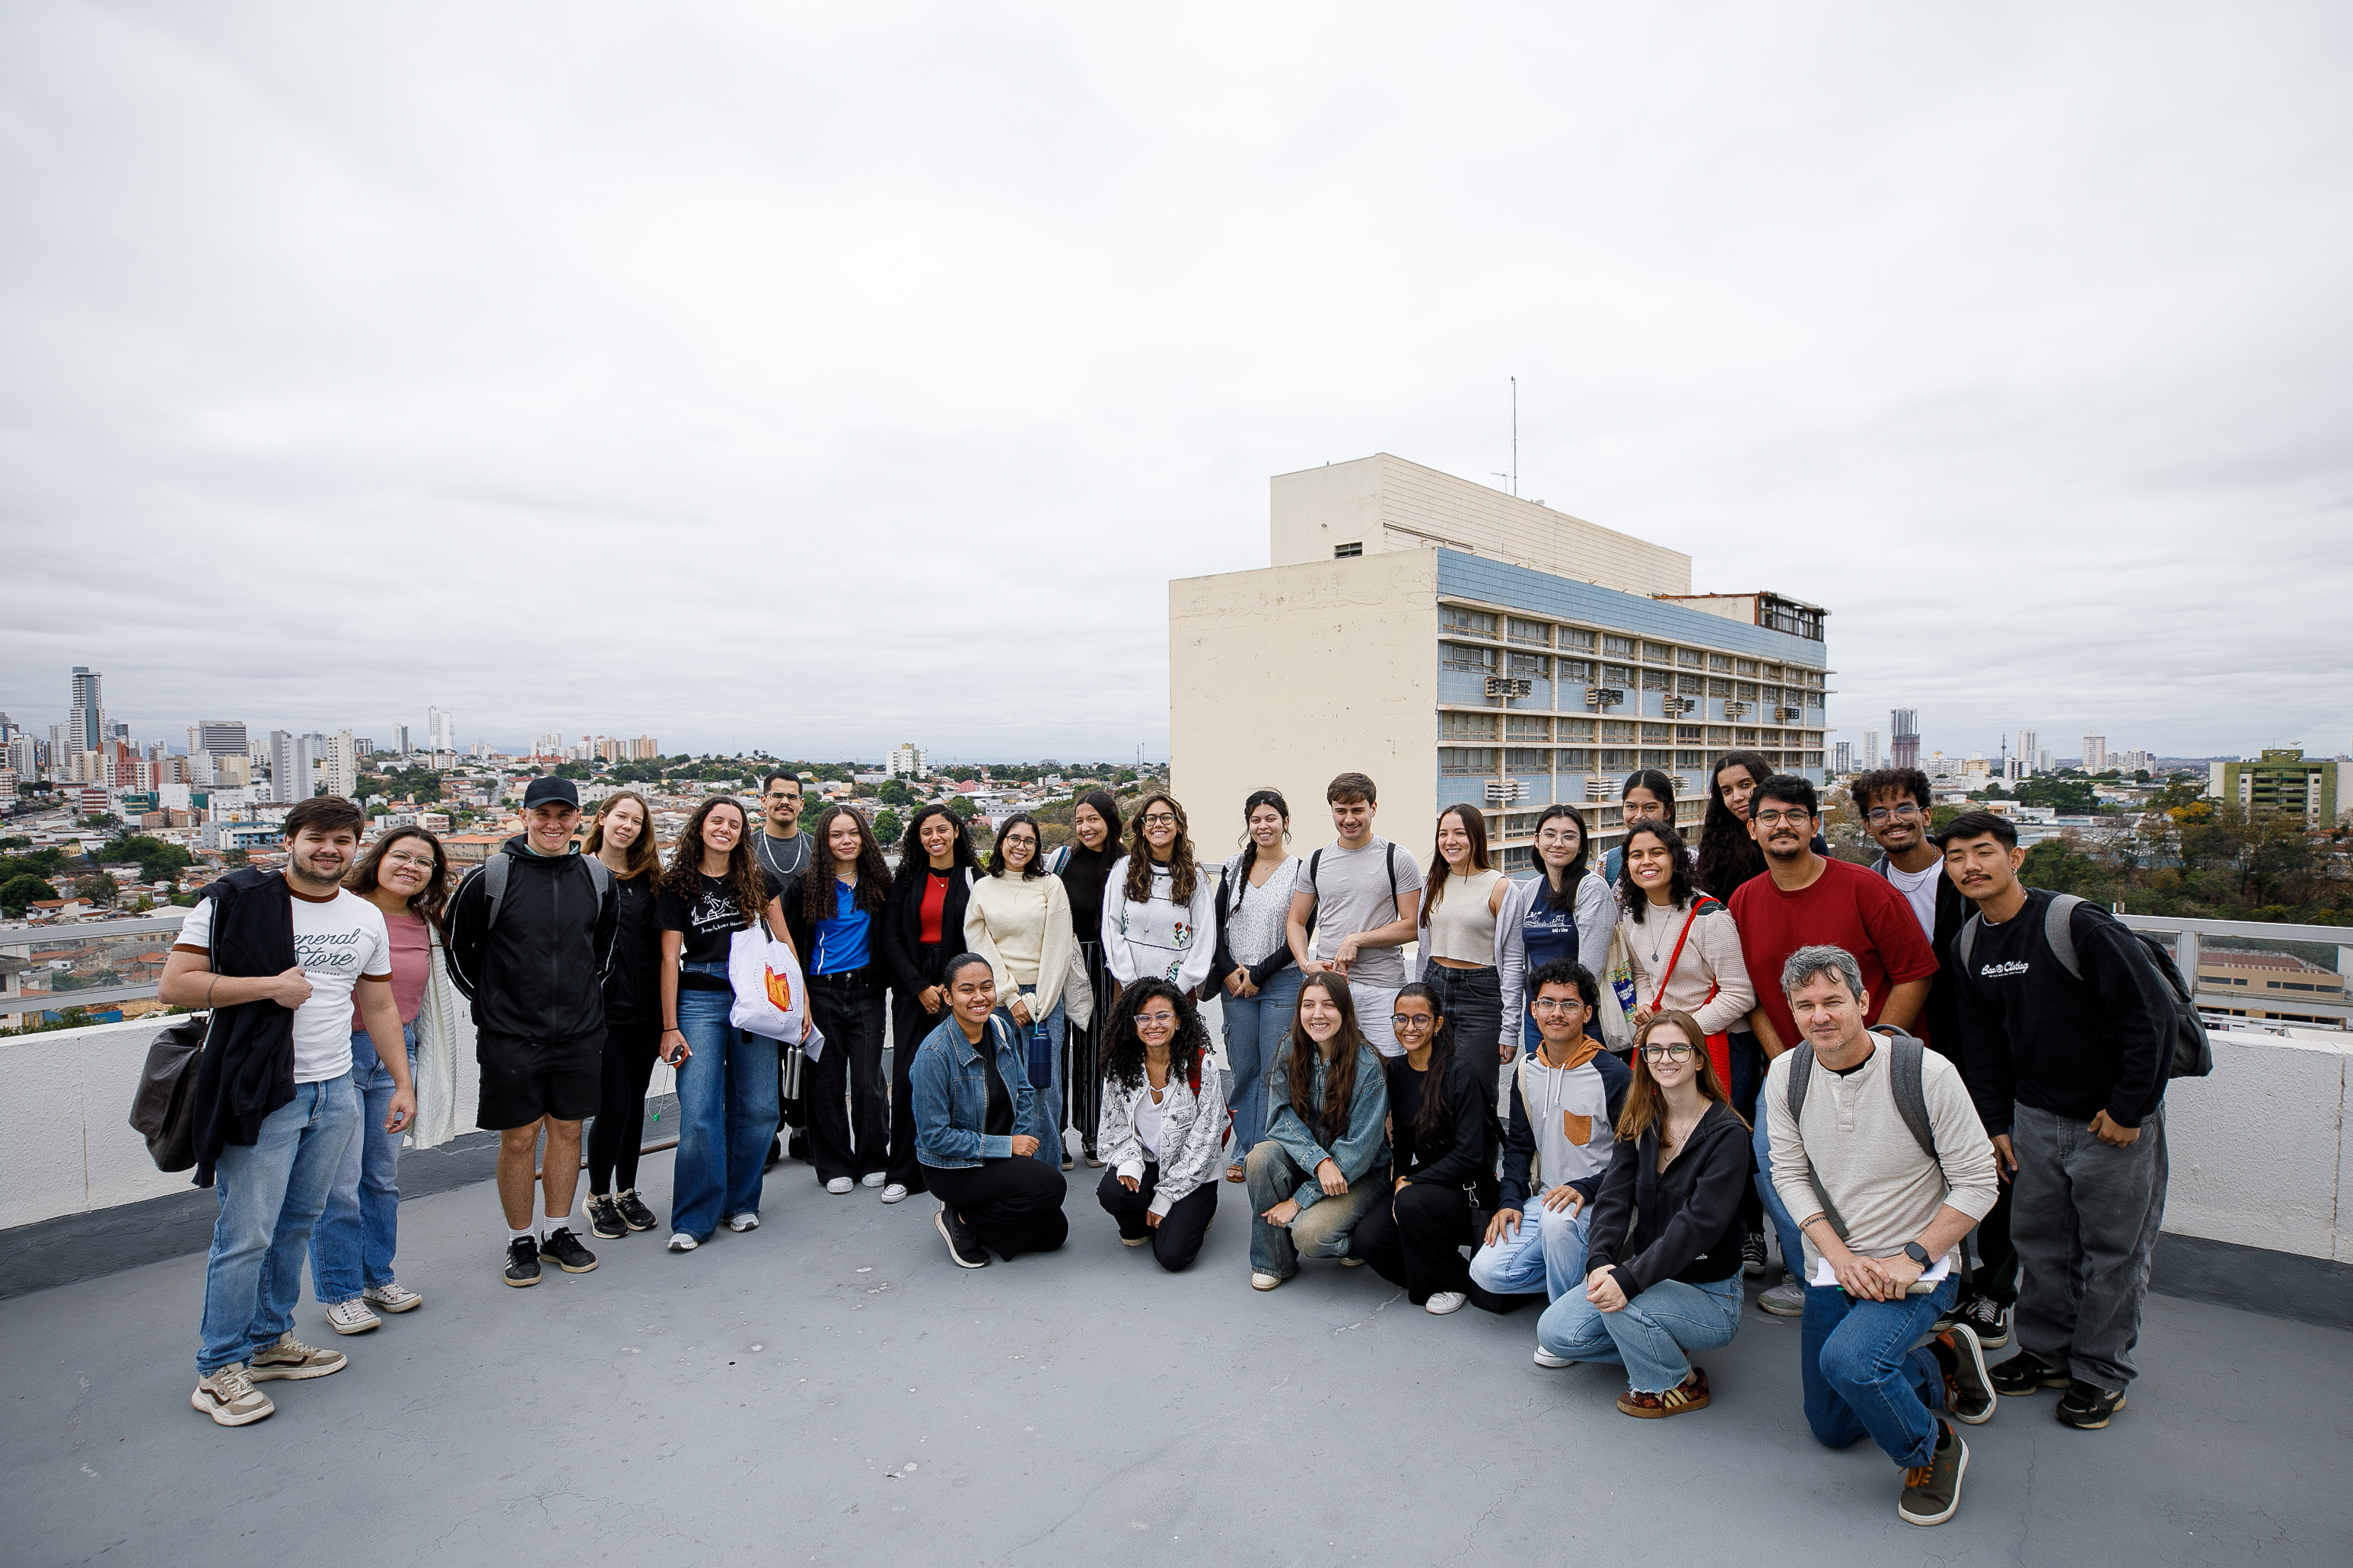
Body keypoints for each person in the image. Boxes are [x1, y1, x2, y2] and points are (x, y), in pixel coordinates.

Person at [161, 795, 412, 1426]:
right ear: (290, 840)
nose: (329, 849)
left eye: (342, 840)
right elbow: (175, 983)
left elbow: (378, 1005)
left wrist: (402, 1082)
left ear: (356, 847)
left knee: (297, 1222)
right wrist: (270, 987)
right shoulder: (233, 901)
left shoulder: (364, 916)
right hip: (263, 1090)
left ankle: (269, 1341)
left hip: (335, 1089)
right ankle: (218, 1367)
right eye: (317, 837)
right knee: (246, 1233)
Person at [1942, 811, 2173, 1430]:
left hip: (2111, 1122)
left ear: (2015, 858)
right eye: (1957, 856)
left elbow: (2150, 1018)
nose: (1970, 866)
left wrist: (2128, 1108)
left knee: (2114, 1252)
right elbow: (1983, 1045)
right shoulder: (1970, 945)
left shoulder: (2075, 923)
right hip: (2035, 1119)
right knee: (2041, 1244)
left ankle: (2100, 1371)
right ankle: (2046, 1353)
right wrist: (1996, 1122)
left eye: (1983, 851)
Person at [1765, 946, 2000, 1528]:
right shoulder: (1786, 1073)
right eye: (1805, 1005)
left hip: (1915, 1268)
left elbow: (1979, 1181)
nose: (1820, 1015)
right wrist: (1839, 1257)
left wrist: (1913, 1257)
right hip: (1835, 1263)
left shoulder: (1925, 1073)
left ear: (1865, 1001)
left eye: (1833, 1000)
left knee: (1851, 1363)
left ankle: (1933, 1449)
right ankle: (1942, 1358)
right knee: (1832, 1426)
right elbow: (1788, 1173)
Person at [1729, 774, 1938, 1317]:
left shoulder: (1864, 887)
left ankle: (1895, 1280)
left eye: (1795, 815)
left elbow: (1915, 973)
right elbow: (1748, 993)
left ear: (1814, 825)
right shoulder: (1745, 900)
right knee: (1774, 1166)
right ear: (1752, 829)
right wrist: (1783, 1060)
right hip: (1796, 1069)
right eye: (1770, 816)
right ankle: (1814, 1276)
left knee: (1871, 1176)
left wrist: (1878, 1049)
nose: (1782, 825)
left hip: (1876, 1066)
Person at [446, 775, 618, 1287]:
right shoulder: (490, 878)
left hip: (579, 1033)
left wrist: (581, 1004)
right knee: (519, 1137)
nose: (553, 824)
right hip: (511, 1036)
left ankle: (557, 1230)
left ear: (578, 818)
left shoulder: (597, 878)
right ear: (524, 816)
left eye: (564, 815)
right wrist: (496, 1006)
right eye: (543, 814)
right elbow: (459, 952)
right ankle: (520, 1237)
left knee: (568, 1131)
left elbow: (603, 952)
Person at [1537, 1011, 1751, 1417]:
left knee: (1622, 1302)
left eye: (1678, 1049)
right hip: (1650, 1272)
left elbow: (1699, 1225)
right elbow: (1614, 1197)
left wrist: (1628, 1280)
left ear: (1699, 1059)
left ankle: (1676, 1382)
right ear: (1645, 1059)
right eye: (1655, 1050)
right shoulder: (1641, 1119)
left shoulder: (1728, 1134)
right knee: (1556, 1332)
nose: (1665, 1059)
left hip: (1709, 1292)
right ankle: (1658, 1339)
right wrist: (1600, 1262)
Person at [1855, 766, 2005, 1342]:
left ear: (1926, 813)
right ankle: (1935, 1273)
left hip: (1974, 1039)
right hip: (1905, 1043)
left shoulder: (1961, 874)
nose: (1893, 820)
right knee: (1920, 1165)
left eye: (1904, 808)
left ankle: (1993, 1291)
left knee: (1988, 1160)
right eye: (1879, 812)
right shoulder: (1871, 880)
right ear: (1866, 823)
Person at [307, 825, 448, 1333]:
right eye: (402, 855)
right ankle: (340, 1291)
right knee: (339, 1182)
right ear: (379, 858)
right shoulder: (343, 910)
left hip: (396, 1053)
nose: (412, 867)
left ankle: (377, 1277)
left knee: (381, 1179)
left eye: (424, 862)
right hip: (338, 1053)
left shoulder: (427, 923)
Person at [654, 794, 788, 1251]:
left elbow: (782, 943)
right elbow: (669, 960)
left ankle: (741, 1202)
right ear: (700, 827)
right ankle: (694, 1218)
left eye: (734, 824)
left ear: (741, 834)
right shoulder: (677, 884)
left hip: (754, 997)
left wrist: (801, 1003)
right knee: (699, 1113)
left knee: (760, 1108)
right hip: (698, 999)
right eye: (717, 821)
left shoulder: (757, 879)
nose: (725, 830)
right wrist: (669, 1025)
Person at [1470, 960, 1629, 1323]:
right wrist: (1510, 1201)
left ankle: (1564, 1324)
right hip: (1545, 1200)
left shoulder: (1614, 1075)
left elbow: (1633, 1157)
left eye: (1569, 1004)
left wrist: (1585, 1187)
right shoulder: (1528, 1070)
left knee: (1558, 1224)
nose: (1557, 1013)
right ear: (1534, 1010)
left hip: (1599, 1203)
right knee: (1486, 1272)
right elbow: (1518, 1147)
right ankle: (1581, 1281)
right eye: (1547, 1003)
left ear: (1587, 1013)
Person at [913, 953, 1069, 1268]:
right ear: (948, 996)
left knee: (1054, 1233)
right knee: (1052, 1185)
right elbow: (934, 1138)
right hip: (953, 1168)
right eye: (967, 990)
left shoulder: (998, 1028)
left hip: (995, 1157)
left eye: (986, 987)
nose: (979, 997)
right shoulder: (933, 1055)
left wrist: (1018, 1148)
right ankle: (960, 1218)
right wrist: (1007, 1146)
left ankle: (968, 1218)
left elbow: (1023, 1092)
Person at [1346, 984, 1494, 1314]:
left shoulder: (1461, 1074)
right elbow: (1401, 1139)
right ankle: (1449, 1274)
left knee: (1410, 1202)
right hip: (1422, 1184)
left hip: (1467, 1188)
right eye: (1401, 1018)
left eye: (1420, 1019)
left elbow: (1470, 1155)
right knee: (1369, 1239)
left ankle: (1448, 1284)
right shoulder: (1396, 1071)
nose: (1409, 1028)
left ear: (1437, 1023)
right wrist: (1400, 1177)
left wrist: (1411, 1183)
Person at [1690, 748, 1781, 1281]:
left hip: (1776, 996)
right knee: (1735, 1124)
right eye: (1727, 790)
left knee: (1772, 1130)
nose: (1738, 796)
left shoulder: (1788, 842)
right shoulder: (1714, 852)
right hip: (1734, 1011)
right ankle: (1748, 1231)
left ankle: (1796, 1242)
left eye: (1745, 784)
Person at [1244, 972, 1391, 1290]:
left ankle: (1356, 1239)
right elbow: (1280, 1117)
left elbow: (1359, 1151)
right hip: (1315, 1164)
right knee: (1260, 1158)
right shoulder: (1290, 1048)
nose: (1318, 1014)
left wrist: (1298, 1202)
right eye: (1308, 1005)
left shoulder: (1367, 1065)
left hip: (1360, 1175)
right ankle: (1273, 1261)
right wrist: (1319, 1162)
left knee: (1310, 1236)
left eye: (1328, 1005)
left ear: (1344, 1011)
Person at [782, 804, 893, 1196]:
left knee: (867, 1080)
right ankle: (834, 1163)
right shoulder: (806, 886)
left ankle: (874, 1157)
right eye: (836, 835)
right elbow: (788, 945)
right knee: (825, 1081)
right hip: (821, 991)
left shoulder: (879, 882)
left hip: (867, 991)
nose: (846, 841)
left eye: (853, 833)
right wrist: (799, 1000)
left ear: (864, 837)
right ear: (824, 841)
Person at [1616, 820, 1754, 1110]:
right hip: (1669, 1044)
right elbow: (1642, 973)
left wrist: (1682, 1031)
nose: (1646, 862)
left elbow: (1740, 993)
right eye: (1637, 855)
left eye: (1657, 853)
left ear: (1676, 859)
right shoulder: (1632, 915)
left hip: (1720, 1042)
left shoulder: (1710, 917)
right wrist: (1647, 1006)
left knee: (1716, 1129)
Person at [879, 804, 980, 1201]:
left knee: (961, 1079)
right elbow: (890, 937)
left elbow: (979, 936)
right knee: (910, 1075)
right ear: (917, 838)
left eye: (941, 829)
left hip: (960, 987)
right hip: (912, 989)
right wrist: (921, 986)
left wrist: (950, 987)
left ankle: (959, 1163)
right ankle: (904, 1170)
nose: (934, 838)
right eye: (926, 832)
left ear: (956, 831)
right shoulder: (906, 879)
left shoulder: (974, 878)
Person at [1286, 772, 1425, 1058]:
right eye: (1341, 811)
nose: (1349, 819)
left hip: (1383, 988)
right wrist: (1305, 963)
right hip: (1330, 987)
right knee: (1331, 1070)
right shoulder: (1315, 861)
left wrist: (1357, 939)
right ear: (1332, 811)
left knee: (1387, 1069)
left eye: (1357, 810)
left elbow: (1413, 926)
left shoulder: (1397, 858)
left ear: (1373, 808)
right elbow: (1296, 921)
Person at [965, 812, 1075, 1169]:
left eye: (1029, 841)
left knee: (1044, 1087)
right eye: (1014, 838)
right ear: (1002, 842)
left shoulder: (1050, 885)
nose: (1021, 846)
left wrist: (1039, 1003)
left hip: (1045, 997)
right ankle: (1008, 1169)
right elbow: (979, 943)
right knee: (1001, 1083)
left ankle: (1044, 1172)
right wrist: (1011, 997)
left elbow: (1058, 947)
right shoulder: (983, 888)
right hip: (996, 999)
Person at [1095, 976, 1227, 1271]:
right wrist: (1130, 1163)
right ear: (1133, 1024)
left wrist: (1165, 1199)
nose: (1153, 1025)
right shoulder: (1121, 1066)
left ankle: (1200, 1208)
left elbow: (1205, 1142)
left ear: (1178, 1021)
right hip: (1147, 1161)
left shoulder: (1201, 1066)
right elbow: (1115, 1126)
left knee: (1172, 1257)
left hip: (1192, 1170)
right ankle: (1139, 1225)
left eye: (1162, 1016)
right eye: (1143, 1017)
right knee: (1113, 1191)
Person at [581, 790, 665, 1241]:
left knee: (634, 1105)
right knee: (613, 1106)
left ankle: (627, 1191)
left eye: (636, 821)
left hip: (646, 1009)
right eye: (621, 817)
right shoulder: (580, 872)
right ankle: (597, 1196)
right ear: (603, 818)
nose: (628, 826)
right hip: (602, 1012)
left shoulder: (649, 878)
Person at [1208, 789, 1301, 1183]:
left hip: (1282, 981)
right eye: (1256, 819)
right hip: (1235, 985)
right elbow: (1215, 925)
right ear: (1248, 824)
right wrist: (1229, 969)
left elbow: (1301, 932)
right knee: (1244, 1069)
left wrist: (1258, 975)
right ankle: (1243, 1147)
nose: (1264, 826)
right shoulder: (1232, 868)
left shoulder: (1300, 870)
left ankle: (1266, 1152)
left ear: (1285, 822)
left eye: (1271, 818)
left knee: (1276, 1071)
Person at [1495, 805, 1613, 1058]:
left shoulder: (1591, 888)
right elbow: (1520, 959)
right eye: (1550, 834)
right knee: (1541, 1079)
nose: (1558, 843)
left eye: (1569, 836)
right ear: (1537, 841)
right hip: (1538, 1015)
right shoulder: (1531, 890)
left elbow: (1591, 969)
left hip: (1579, 1014)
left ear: (1580, 846)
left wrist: (1565, 1009)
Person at [1046, 788, 1122, 1169]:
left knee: (1095, 1051)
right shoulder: (1061, 860)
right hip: (1065, 959)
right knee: (1058, 1048)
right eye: (1079, 820)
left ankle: (1093, 1131)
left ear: (1110, 821)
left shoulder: (1126, 864)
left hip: (1107, 964)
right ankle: (1056, 1132)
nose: (1086, 827)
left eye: (1093, 819)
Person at [1410, 804, 1508, 1074]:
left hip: (1481, 995)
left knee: (1474, 1082)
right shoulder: (1433, 883)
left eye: (1459, 833)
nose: (1450, 841)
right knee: (1433, 1080)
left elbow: (1512, 961)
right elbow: (1424, 950)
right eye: (1443, 834)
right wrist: (1418, 998)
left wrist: (1510, 1028)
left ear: (1477, 836)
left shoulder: (1499, 886)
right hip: (1434, 987)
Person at [753, 770, 816, 1159]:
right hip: (759, 964)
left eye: (792, 797)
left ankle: (804, 1128)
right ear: (763, 801)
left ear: (801, 804)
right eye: (777, 795)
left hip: (810, 958)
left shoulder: (816, 849)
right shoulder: (745, 848)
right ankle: (767, 1134)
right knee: (764, 1056)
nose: (784, 803)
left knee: (805, 1046)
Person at [1599, 768, 1680, 889]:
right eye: (1632, 807)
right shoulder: (1607, 863)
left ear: (1668, 810)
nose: (1639, 816)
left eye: (1649, 808)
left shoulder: (1692, 861)